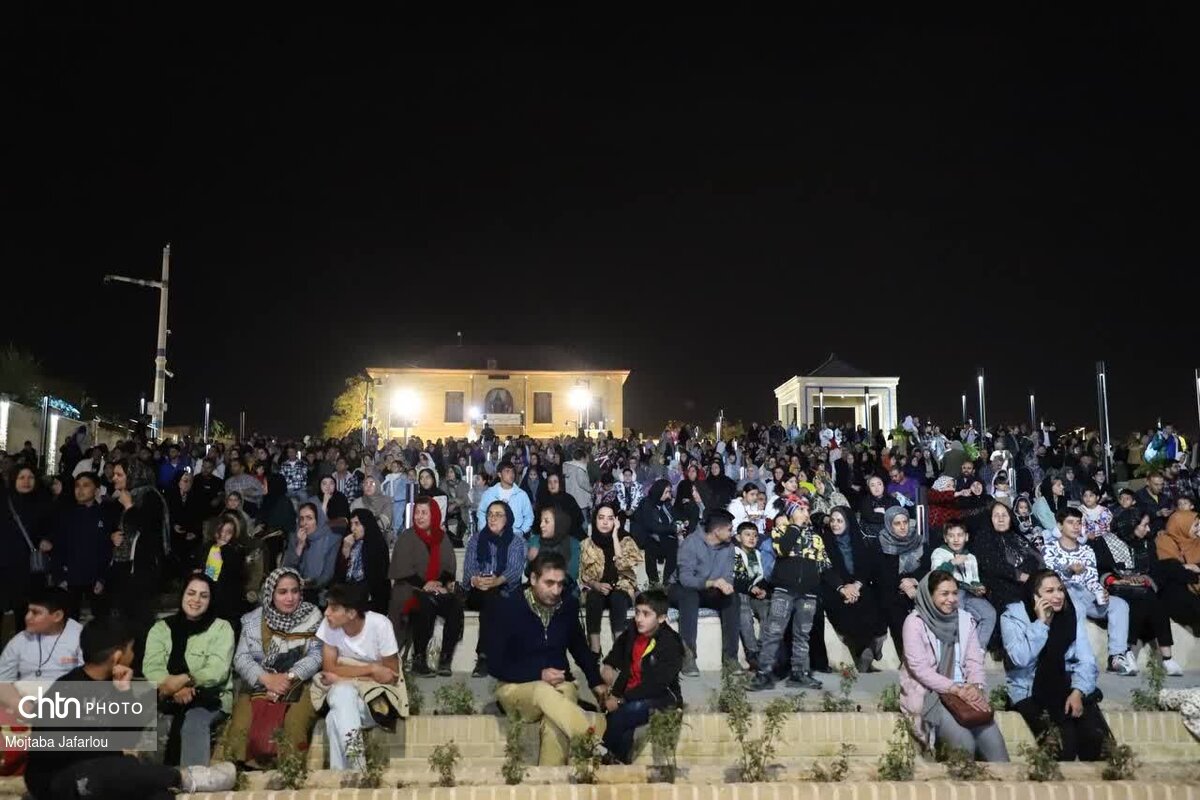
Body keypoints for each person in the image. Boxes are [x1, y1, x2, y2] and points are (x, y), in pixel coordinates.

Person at [24, 617, 237, 800]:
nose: (134, 655)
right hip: (60, 782)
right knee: (119, 768)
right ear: (117, 656)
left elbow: (126, 738)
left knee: (159, 795)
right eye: (132, 649)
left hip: (102, 778)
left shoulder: (112, 684)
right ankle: (187, 777)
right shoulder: (66, 691)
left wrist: (124, 692)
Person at [487, 552, 607, 767]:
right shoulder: (508, 607)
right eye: (549, 583)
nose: (556, 590)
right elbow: (495, 664)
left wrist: (596, 681)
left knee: (556, 722)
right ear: (533, 579)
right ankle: (594, 743)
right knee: (543, 691)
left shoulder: (568, 606)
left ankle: (550, 781)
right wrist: (538, 674)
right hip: (515, 688)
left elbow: (579, 648)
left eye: (560, 584)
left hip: (559, 685)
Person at [1001, 570, 1110, 762]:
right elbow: (1020, 659)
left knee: (1099, 742)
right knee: (1063, 747)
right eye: (1049, 591)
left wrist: (1078, 691)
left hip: (1067, 682)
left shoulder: (1071, 611)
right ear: (1035, 596)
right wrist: (1041, 623)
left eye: (1060, 589)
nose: (1058, 596)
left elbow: (1086, 659)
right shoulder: (1013, 616)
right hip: (1030, 689)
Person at [900, 571, 1009, 761]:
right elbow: (920, 669)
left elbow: (974, 660)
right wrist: (955, 689)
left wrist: (975, 687)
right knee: (964, 744)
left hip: (965, 692)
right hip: (932, 694)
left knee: (995, 746)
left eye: (954, 593)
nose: (951, 599)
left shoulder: (965, 619)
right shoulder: (915, 623)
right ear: (929, 595)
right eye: (944, 594)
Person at [222, 567, 323, 767]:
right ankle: (240, 774)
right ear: (271, 594)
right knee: (241, 725)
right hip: (259, 682)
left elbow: (316, 655)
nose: (290, 598)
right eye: (282, 592)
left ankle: (290, 772)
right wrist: (266, 679)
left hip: (300, 683)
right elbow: (241, 658)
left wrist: (288, 677)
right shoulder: (253, 620)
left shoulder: (312, 616)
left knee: (295, 721)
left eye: (295, 591)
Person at [143, 575, 235, 766]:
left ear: (210, 600)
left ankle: (193, 779)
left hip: (209, 697)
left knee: (193, 721)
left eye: (204, 596)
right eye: (191, 593)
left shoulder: (221, 628)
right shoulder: (161, 629)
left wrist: (187, 679)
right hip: (166, 694)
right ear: (182, 595)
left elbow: (217, 670)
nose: (196, 600)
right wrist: (174, 688)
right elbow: (152, 667)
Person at [315, 583, 402, 770]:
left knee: (333, 718)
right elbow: (329, 668)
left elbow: (391, 676)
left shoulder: (380, 625)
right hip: (347, 697)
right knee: (343, 694)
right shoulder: (329, 625)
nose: (326, 613)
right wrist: (371, 669)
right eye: (327, 606)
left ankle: (348, 773)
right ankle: (357, 770)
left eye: (334, 608)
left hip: (377, 703)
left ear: (351, 613)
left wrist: (342, 676)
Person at [1041, 506, 1136, 676]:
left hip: (1084, 593)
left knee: (1119, 605)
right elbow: (1050, 580)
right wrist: (1068, 571)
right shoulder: (1050, 548)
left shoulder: (1087, 550)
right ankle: (1077, 658)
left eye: (1079, 523)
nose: (1076, 527)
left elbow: (1091, 579)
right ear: (1060, 526)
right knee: (1076, 606)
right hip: (1064, 593)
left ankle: (1116, 656)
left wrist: (1101, 591)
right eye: (1071, 522)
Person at [749, 497, 830, 691]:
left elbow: (823, 564)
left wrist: (814, 584)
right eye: (800, 510)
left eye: (806, 510)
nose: (805, 513)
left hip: (808, 594)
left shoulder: (816, 537)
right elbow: (783, 549)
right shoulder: (780, 531)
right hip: (784, 591)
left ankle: (799, 673)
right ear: (791, 514)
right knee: (773, 632)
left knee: (803, 634)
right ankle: (764, 673)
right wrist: (795, 527)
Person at [598, 588, 684, 764]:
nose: (639, 619)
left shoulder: (670, 643)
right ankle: (618, 762)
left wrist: (621, 700)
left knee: (626, 713)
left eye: (646, 614)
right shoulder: (633, 631)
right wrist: (609, 664)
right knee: (622, 723)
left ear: (661, 618)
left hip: (662, 697)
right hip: (630, 692)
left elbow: (656, 685)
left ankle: (600, 754)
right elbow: (619, 647)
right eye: (637, 612)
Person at [1093, 510, 1183, 675]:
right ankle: (1140, 654)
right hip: (1117, 588)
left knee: (1153, 600)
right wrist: (1115, 580)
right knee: (1139, 601)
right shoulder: (1104, 543)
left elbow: (1154, 570)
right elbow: (1099, 569)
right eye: (1144, 525)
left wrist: (1144, 579)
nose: (1148, 529)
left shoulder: (1147, 543)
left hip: (1141, 587)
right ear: (1131, 526)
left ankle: (1160, 656)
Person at [390, 496, 461, 677]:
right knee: (424, 603)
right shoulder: (407, 537)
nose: (419, 517)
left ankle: (445, 658)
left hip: (436, 589)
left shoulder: (442, 538)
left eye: (424, 513)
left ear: (434, 515)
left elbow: (449, 569)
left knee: (455, 605)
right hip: (410, 588)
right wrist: (425, 585)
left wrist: (440, 584)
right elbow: (403, 570)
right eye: (417, 513)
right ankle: (419, 659)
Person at [670, 509, 740, 676]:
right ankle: (688, 656)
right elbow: (686, 579)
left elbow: (728, 575)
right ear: (717, 531)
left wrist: (727, 586)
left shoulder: (729, 547)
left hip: (710, 590)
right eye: (729, 529)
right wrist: (713, 583)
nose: (732, 533)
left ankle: (730, 658)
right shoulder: (691, 543)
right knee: (689, 596)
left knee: (732, 598)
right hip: (682, 589)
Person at [105, 458, 169, 640]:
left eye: (119, 475)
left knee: (139, 622)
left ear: (133, 475)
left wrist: (129, 506)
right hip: (122, 566)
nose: (114, 478)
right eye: (114, 474)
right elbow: (116, 526)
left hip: (142, 570)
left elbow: (148, 529)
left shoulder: (150, 496)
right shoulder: (121, 496)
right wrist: (112, 536)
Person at [820, 506, 888, 672]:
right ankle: (865, 652)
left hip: (858, 585)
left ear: (848, 523)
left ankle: (872, 648)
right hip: (836, 587)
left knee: (872, 602)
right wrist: (843, 589)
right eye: (832, 520)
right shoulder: (825, 541)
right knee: (847, 610)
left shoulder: (859, 540)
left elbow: (866, 567)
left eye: (840, 521)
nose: (835, 524)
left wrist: (856, 585)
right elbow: (826, 569)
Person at [464, 501, 527, 677]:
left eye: (498, 515)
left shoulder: (516, 541)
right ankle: (485, 656)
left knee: (495, 600)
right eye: (490, 514)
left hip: (505, 589)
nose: (493, 518)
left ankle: (487, 656)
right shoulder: (476, 539)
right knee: (491, 598)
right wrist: (476, 580)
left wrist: (496, 581)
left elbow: (515, 570)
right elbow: (469, 568)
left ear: (507, 519)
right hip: (478, 591)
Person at [0, 588, 83, 712]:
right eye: (28, 611)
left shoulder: (81, 638)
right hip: (23, 703)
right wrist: (18, 704)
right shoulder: (20, 640)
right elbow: (3, 681)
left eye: (35, 613)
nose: (27, 617)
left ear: (57, 616)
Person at [579, 502, 643, 654]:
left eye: (610, 518)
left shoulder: (626, 540)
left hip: (622, 588)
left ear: (616, 521)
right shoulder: (587, 544)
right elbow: (584, 575)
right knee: (593, 598)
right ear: (595, 520)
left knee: (617, 598)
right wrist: (596, 585)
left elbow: (623, 565)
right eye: (601, 518)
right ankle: (595, 650)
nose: (605, 522)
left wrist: (615, 536)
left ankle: (619, 650)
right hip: (598, 589)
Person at [930, 521, 997, 650]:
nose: (956, 539)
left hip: (969, 594)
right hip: (951, 594)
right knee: (959, 611)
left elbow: (974, 579)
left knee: (989, 613)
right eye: (951, 536)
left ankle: (977, 651)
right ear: (945, 538)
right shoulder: (939, 553)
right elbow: (936, 576)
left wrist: (979, 587)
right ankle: (955, 650)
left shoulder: (970, 557)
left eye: (960, 535)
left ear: (966, 537)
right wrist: (952, 563)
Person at [874, 506, 930, 659]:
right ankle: (907, 660)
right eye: (897, 523)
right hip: (892, 590)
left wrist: (913, 580)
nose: (903, 526)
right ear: (889, 525)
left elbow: (927, 566)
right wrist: (904, 585)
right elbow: (882, 574)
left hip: (918, 586)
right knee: (897, 617)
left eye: (905, 522)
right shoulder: (882, 544)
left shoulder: (918, 540)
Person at [973, 502, 1043, 616]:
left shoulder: (1017, 536)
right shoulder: (984, 538)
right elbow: (993, 566)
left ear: (1010, 518)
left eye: (1004, 515)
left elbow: (1036, 558)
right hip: (1003, 589)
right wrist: (1021, 576)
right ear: (990, 519)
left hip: (1031, 583)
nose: (1001, 519)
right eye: (996, 515)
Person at [733, 520, 773, 672]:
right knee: (744, 611)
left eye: (755, 535)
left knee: (767, 609)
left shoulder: (758, 554)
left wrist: (763, 590)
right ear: (738, 537)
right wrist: (750, 587)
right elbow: (734, 578)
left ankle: (764, 649)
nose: (752, 538)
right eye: (747, 535)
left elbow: (764, 577)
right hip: (740, 593)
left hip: (755, 595)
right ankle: (752, 651)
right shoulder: (735, 553)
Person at [282, 502, 340, 604]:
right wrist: (300, 546)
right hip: (296, 591)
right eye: (302, 519)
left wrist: (309, 584)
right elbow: (286, 569)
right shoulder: (295, 537)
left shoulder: (332, 539)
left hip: (319, 592)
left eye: (309, 518)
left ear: (318, 520)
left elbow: (328, 575)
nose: (304, 523)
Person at [200, 514, 250, 628]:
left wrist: (224, 549)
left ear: (234, 534)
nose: (223, 535)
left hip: (228, 601)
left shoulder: (236, 551)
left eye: (228, 532)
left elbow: (236, 574)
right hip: (209, 594)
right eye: (220, 531)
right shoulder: (207, 547)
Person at [1155, 509, 1200, 631]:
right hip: (1179, 590)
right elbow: (1174, 569)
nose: (1198, 529)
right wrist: (1191, 569)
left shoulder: (1195, 541)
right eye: (1195, 525)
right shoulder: (1164, 541)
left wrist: (1196, 567)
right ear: (1182, 526)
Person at [339, 509, 391, 615]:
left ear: (366, 524)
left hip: (371, 598)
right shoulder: (348, 543)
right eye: (351, 524)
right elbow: (339, 575)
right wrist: (346, 550)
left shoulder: (377, 544)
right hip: (349, 594)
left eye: (357, 524)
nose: (353, 528)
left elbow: (378, 579)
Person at [632, 479, 680, 584]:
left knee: (674, 545)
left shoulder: (665, 502)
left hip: (660, 535)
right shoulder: (647, 503)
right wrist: (672, 528)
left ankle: (668, 581)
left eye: (669, 492)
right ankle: (653, 582)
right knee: (651, 546)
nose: (669, 495)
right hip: (645, 535)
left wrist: (680, 524)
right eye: (666, 492)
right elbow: (652, 526)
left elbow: (673, 517)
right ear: (659, 491)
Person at [528, 506, 581, 593]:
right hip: (537, 592)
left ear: (558, 523)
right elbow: (529, 574)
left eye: (546, 521)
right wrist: (532, 562)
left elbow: (571, 575)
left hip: (565, 592)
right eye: (541, 521)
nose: (541, 525)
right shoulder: (535, 541)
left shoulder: (573, 544)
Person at [477, 462, 535, 537]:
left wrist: (522, 531)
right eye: (507, 471)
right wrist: (485, 529)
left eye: (512, 471)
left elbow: (529, 516)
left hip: (515, 535)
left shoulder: (521, 495)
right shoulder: (489, 494)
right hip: (493, 536)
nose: (511, 474)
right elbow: (481, 512)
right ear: (499, 474)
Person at [563, 448, 594, 530]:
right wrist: (591, 490)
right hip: (580, 498)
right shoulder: (579, 469)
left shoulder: (568, 467)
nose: (587, 460)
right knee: (583, 520)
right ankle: (584, 535)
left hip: (571, 497)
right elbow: (582, 483)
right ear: (582, 458)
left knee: (574, 519)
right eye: (586, 458)